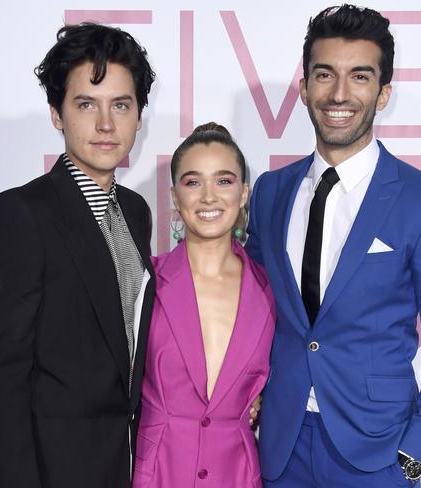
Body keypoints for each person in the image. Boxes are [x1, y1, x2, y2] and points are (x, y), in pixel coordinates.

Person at [246, 5, 421, 487]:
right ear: (305, 86)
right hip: (280, 444)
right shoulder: (271, 191)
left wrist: (415, 453)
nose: (339, 94)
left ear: (383, 91)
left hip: (376, 455)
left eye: (360, 76)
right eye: (324, 74)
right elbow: (251, 310)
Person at [0, 23, 155, 488]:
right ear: (56, 114)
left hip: (128, 467)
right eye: (86, 104)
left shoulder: (135, 213)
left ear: (138, 116)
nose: (106, 124)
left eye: (121, 105)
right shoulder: (18, 215)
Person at [132, 123, 275, 488]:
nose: (209, 197)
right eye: (193, 182)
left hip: (238, 473)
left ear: (244, 194)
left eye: (224, 181)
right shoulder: (144, 280)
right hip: (157, 471)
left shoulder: (271, 289)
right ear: (175, 196)